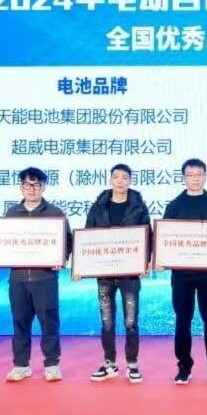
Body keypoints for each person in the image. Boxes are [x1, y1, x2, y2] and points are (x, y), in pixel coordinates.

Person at [81, 164, 152, 384]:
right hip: (104, 274)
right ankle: (109, 363)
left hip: (129, 275)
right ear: (111, 180)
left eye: (125, 177)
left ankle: (132, 363)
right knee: (107, 322)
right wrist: (81, 265)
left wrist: (146, 261)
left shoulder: (139, 207)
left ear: (130, 181)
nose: (120, 181)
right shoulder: (98, 207)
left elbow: (147, 237)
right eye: (116, 177)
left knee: (131, 322)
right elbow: (87, 237)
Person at [163, 158, 207, 385]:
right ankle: (184, 367)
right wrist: (161, 259)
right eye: (190, 175)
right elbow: (164, 238)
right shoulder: (174, 206)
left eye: (199, 174)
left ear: (205, 176)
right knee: (183, 320)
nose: (195, 179)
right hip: (181, 275)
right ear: (183, 178)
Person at [4, 167, 72, 383]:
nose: (31, 188)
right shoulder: (11, 213)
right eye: (27, 184)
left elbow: (67, 242)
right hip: (18, 279)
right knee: (20, 323)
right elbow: (2, 242)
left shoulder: (55, 213)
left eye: (36, 184)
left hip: (45, 278)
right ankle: (21, 365)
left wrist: (61, 258)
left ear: (44, 186)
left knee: (49, 322)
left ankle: (52, 364)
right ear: (21, 187)